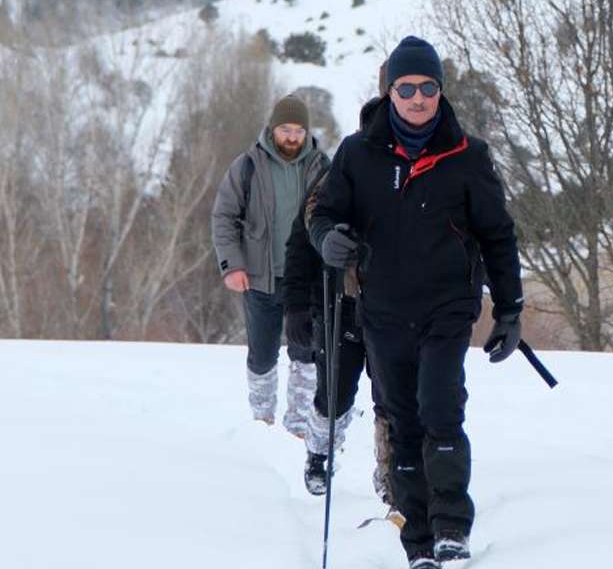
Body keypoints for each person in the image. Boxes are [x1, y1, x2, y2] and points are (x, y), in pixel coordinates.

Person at [309, 36, 524, 569]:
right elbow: (323, 214)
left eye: (429, 87)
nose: (419, 97)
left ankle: (452, 526)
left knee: (441, 408)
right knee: (403, 420)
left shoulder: (468, 156)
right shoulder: (358, 153)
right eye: (407, 88)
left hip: (448, 308)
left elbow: (498, 235)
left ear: (440, 91)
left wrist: (510, 309)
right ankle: (419, 540)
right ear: (390, 93)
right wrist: (328, 238)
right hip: (381, 309)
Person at [282, 97, 398, 520]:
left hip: (390, 309)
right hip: (337, 306)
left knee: (392, 399)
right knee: (334, 396)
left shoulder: (407, 182)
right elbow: (299, 248)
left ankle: (391, 475)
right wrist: (296, 309)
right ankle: (318, 454)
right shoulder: (333, 182)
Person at [211, 94, 328, 434]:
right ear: (272, 129)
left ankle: (299, 424)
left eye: (298, 130)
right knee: (262, 356)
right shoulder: (247, 166)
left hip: (305, 283)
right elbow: (224, 217)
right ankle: (261, 420)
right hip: (259, 280)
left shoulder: (322, 167)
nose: (292, 137)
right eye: (285, 129)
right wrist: (231, 265)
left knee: (306, 354)